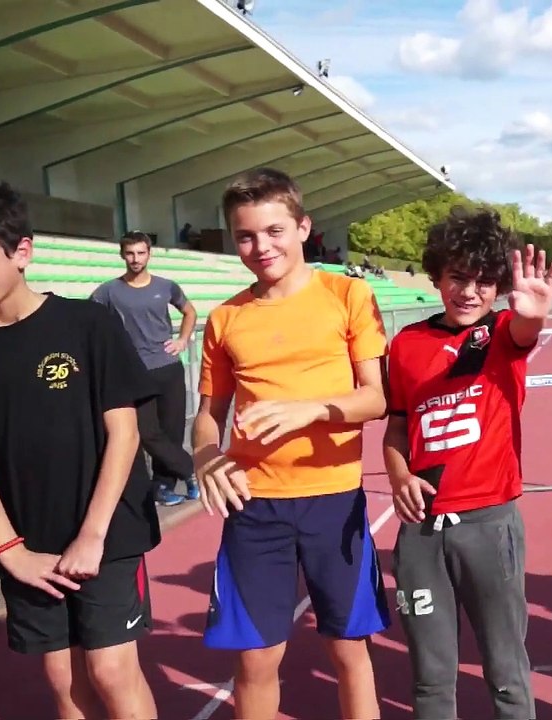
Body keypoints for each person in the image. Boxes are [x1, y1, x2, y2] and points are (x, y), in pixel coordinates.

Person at [191, 168, 390, 719]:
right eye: (247, 236)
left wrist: (314, 409)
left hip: (335, 499)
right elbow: (207, 416)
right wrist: (207, 459)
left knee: (348, 649)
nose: (261, 247)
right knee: (255, 660)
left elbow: (376, 399)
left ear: (303, 228)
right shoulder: (225, 317)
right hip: (255, 505)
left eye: (275, 231)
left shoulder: (348, 294)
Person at [0, 181, 159, 718]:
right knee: (63, 682)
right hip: (27, 542)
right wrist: (11, 551)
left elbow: (125, 434)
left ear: (22, 252)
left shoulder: (87, 324)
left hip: (106, 532)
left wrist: (91, 535)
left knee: (110, 670)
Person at [384, 207, 552, 719]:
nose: (470, 292)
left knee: (506, 672)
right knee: (431, 679)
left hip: (489, 524)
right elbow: (397, 425)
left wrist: (534, 310)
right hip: (421, 532)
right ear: (436, 275)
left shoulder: (502, 333)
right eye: (459, 277)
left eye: (485, 281)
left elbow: (526, 328)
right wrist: (397, 474)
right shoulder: (407, 345)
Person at [91, 230, 199, 506]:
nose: (135, 259)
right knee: (148, 432)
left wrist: (183, 340)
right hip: (135, 372)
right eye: (130, 253)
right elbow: (89, 320)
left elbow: (190, 312)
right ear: (122, 255)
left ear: (149, 254)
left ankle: (163, 487)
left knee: (172, 432)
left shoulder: (166, 286)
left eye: (140, 253)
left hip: (169, 367)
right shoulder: (108, 291)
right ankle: (191, 471)